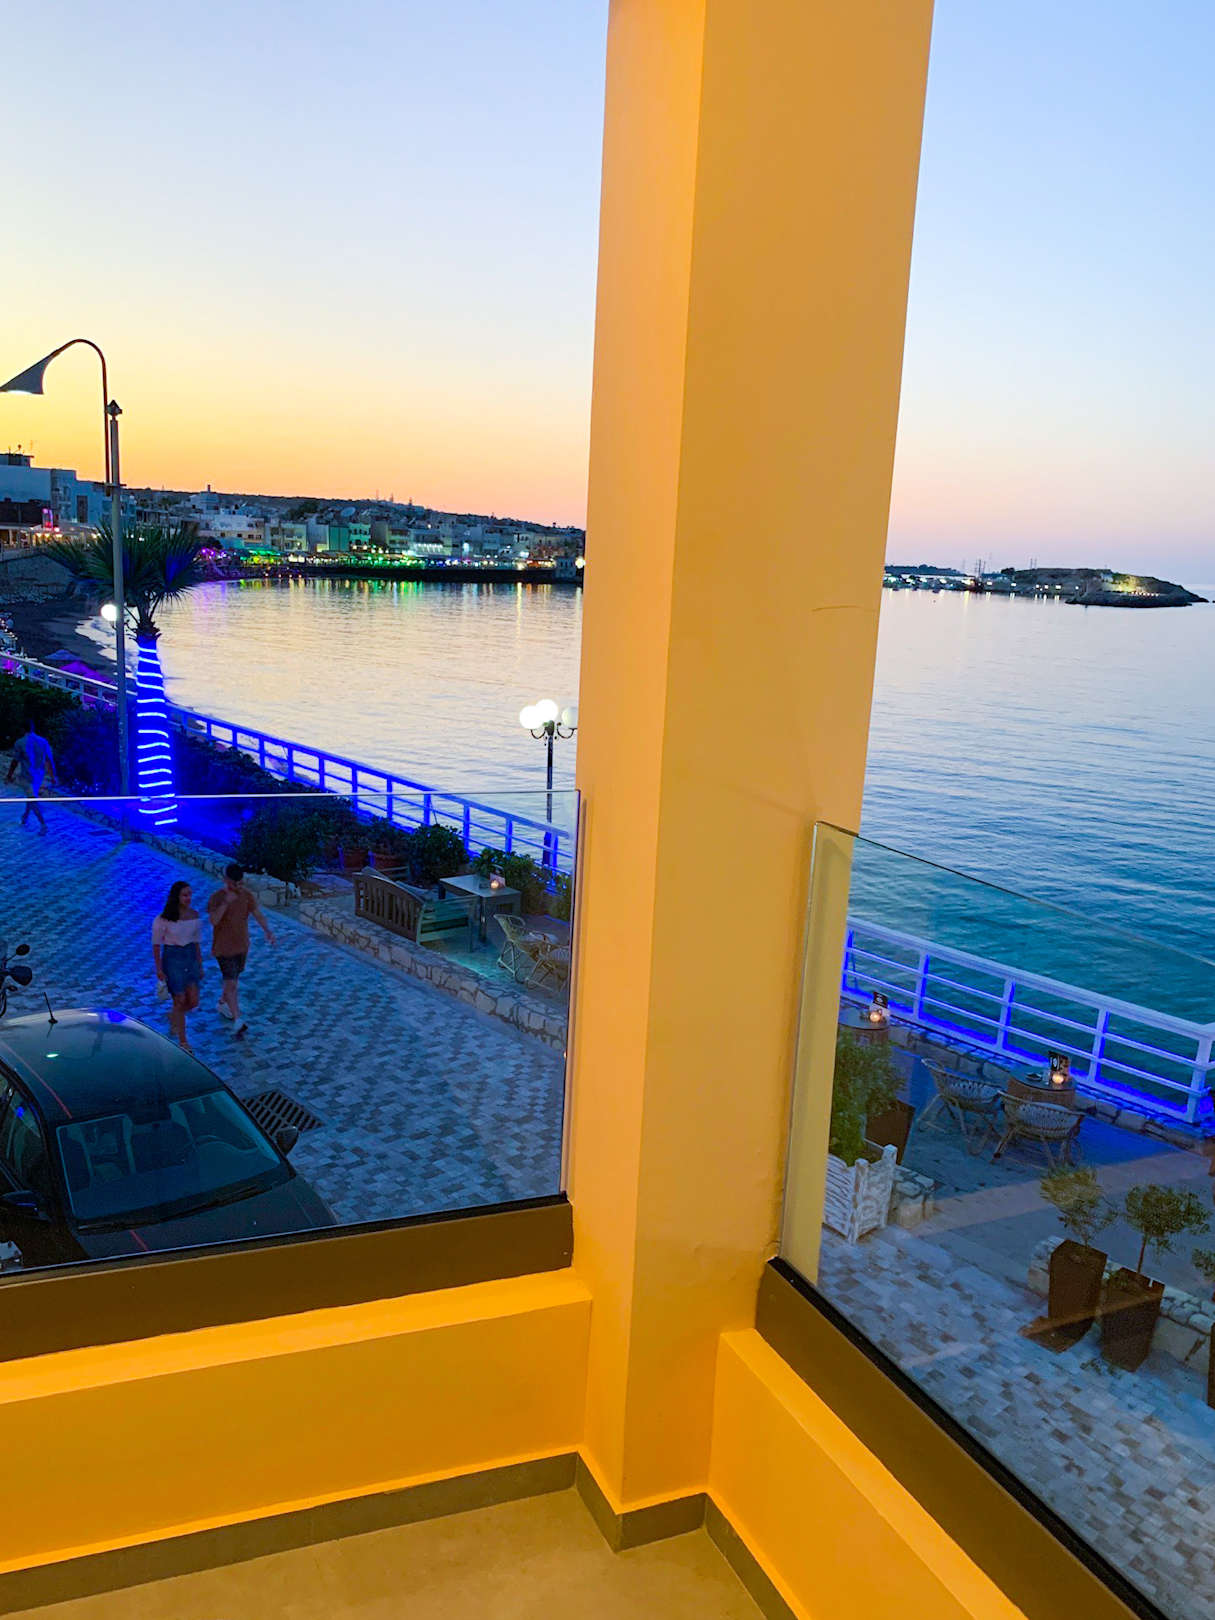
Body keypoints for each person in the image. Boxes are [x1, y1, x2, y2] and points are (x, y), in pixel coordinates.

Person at [207, 862, 276, 1038]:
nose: (238, 887)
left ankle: (222, 1003)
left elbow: (257, 913)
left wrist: (268, 931)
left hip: (242, 946)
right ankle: (238, 1020)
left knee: (233, 980)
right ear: (226, 880)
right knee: (232, 983)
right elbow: (213, 921)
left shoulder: (246, 896)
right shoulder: (217, 898)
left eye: (240, 883)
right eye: (235, 884)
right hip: (223, 948)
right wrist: (225, 903)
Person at [152, 880, 204, 1053]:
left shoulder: (194, 915)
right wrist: (159, 968)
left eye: (190, 894)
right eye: (184, 895)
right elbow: (156, 945)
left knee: (193, 1000)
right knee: (179, 999)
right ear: (177, 897)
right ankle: (183, 1041)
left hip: (190, 958)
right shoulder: (163, 919)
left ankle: (174, 1015)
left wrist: (200, 964)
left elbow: (196, 942)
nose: (188, 898)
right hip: (173, 959)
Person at [6, 716, 56, 834]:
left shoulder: (20, 742)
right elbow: (49, 760)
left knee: (32, 798)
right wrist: (53, 776)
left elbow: (15, 761)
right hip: (39, 775)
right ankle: (25, 816)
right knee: (31, 795)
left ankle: (43, 825)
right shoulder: (43, 741)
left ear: (22, 729)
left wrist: (9, 775)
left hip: (27, 775)